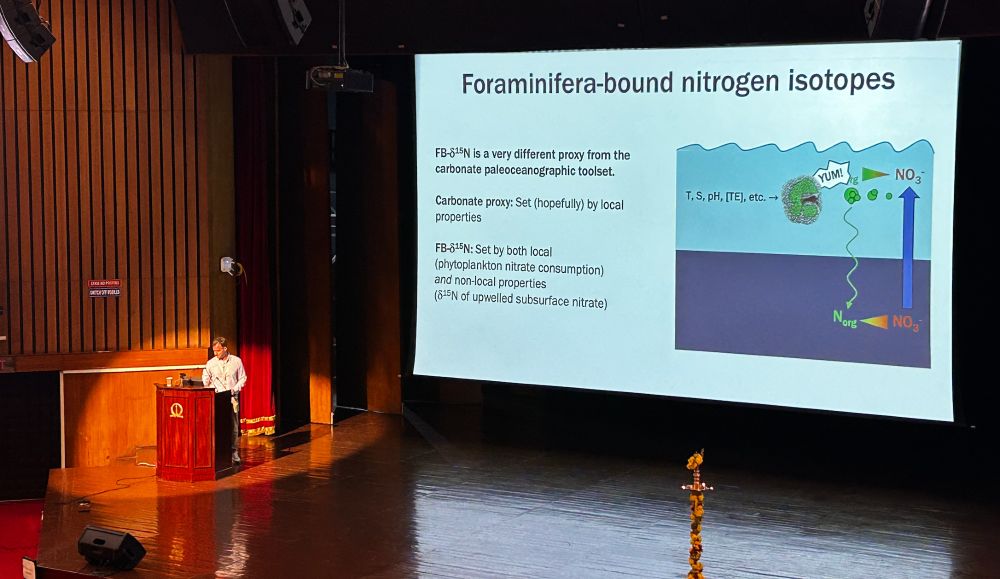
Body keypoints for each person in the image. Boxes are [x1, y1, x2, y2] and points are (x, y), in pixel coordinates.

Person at [202, 337, 247, 464]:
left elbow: (243, 378)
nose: (215, 353)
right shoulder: (210, 363)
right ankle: (218, 452)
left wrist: (235, 389)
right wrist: (206, 379)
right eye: (214, 351)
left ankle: (233, 452)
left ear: (225, 349)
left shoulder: (237, 361)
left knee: (233, 426)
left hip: (232, 398)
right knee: (217, 425)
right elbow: (206, 381)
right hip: (217, 398)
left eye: (218, 350)